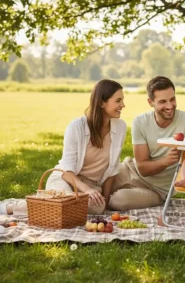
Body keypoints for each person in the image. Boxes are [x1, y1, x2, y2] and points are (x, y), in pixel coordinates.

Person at [0, 79, 126, 216]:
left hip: (91, 185)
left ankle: (45, 203)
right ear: (102, 102)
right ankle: (10, 207)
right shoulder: (77, 126)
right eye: (118, 101)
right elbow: (67, 171)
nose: (123, 105)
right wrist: (87, 190)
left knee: (96, 209)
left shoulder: (120, 127)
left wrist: (105, 204)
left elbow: (113, 170)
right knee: (63, 202)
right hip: (65, 178)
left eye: (122, 100)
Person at [108, 76, 185, 211]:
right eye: (163, 101)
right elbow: (143, 169)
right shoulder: (140, 122)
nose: (169, 106)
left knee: (117, 201)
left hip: (157, 190)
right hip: (130, 171)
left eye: (172, 99)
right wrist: (166, 161)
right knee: (98, 182)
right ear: (150, 102)